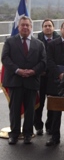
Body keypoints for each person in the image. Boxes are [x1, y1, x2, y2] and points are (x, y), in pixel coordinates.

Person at [1, 15, 46, 145]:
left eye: (28, 25)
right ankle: (14, 134)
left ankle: (27, 134)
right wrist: (18, 70)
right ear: (18, 27)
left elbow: (43, 62)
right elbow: (5, 59)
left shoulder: (39, 44)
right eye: (23, 25)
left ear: (31, 27)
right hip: (15, 81)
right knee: (14, 109)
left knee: (30, 110)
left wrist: (33, 71)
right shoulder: (10, 41)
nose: (25, 27)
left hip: (31, 81)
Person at [34, 18, 60, 135]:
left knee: (52, 104)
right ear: (42, 28)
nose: (48, 28)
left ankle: (50, 126)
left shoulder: (58, 40)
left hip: (53, 78)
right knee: (39, 103)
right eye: (45, 26)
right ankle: (38, 126)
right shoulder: (36, 41)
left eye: (50, 26)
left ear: (53, 28)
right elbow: (34, 58)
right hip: (40, 77)